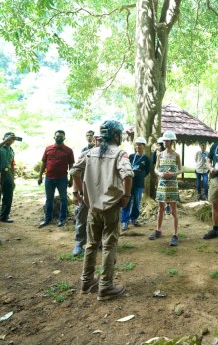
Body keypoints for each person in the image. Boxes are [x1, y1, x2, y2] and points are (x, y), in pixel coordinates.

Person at [71, 120, 133, 301]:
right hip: (111, 208)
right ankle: (105, 286)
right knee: (109, 244)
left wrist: (78, 193)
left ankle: (86, 281)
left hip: (92, 208)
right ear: (115, 135)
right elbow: (128, 175)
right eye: (120, 134)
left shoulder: (89, 152)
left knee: (91, 244)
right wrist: (126, 197)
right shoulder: (120, 154)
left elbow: (74, 171)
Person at [70, 134, 105, 256]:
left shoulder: (108, 155)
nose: (100, 142)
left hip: (101, 194)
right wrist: (77, 193)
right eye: (98, 140)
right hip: (85, 193)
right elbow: (75, 173)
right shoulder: (86, 154)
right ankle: (79, 243)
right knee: (82, 217)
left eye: (103, 140)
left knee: (100, 218)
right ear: (95, 141)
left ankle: (99, 241)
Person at [150, 131, 182, 246]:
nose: (165, 142)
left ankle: (175, 234)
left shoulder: (176, 155)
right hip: (162, 183)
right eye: (164, 140)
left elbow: (180, 169)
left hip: (172, 184)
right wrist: (160, 174)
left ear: (172, 142)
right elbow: (156, 168)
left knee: (173, 210)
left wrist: (173, 174)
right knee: (160, 208)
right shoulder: (160, 154)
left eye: (167, 141)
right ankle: (158, 230)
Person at [38, 130, 75, 228]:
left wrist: (71, 179)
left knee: (63, 199)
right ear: (54, 137)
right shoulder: (48, 149)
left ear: (64, 138)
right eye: (57, 136)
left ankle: (62, 219)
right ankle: (47, 219)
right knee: (49, 199)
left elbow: (71, 165)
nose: (59, 138)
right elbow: (44, 163)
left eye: (61, 136)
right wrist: (40, 176)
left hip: (62, 179)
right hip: (49, 178)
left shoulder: (68, 150)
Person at [121, 137, 151, 230]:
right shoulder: (131, 156)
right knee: (127, 201)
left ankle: (134, 218)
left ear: (144, 146)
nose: (138, 146)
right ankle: (124, 221)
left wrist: (140, 174)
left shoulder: (146, 158)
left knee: (136, 202)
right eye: (137, 144)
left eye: (140, 145)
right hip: (129, 183)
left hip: (139, 183)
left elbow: (147, 171)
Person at [0, 132, 19, 223]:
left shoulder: (11, 150)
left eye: (13, 138)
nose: (11, 140)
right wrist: (6, 140)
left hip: (8, 172)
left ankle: (4, 216)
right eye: (9, 138)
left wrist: (12, 178)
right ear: (3, 138)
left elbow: (12, 164)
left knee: (9, 195)